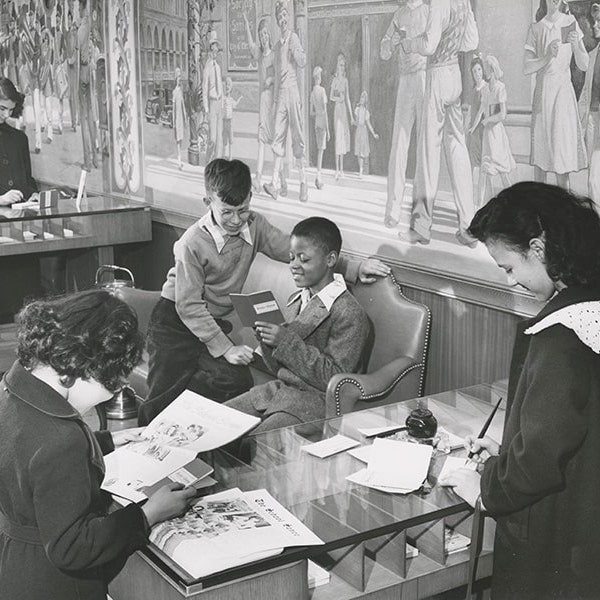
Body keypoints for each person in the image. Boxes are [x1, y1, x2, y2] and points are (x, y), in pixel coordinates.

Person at [140, 158, 390, 426]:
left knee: (232, 379)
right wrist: (225, 349)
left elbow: (299, 253)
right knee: (161, 399)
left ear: (250, 197)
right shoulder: (191, 242)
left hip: (211, 322)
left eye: (243, 209)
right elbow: (188, 305)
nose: (236, 220)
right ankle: (145, 447)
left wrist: (353, 267)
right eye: (227, 212)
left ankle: (186, 422)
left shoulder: (255, 225)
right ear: (207, 202)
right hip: (174, 320)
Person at [440, 182, 600, 599]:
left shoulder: (561, 334)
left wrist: (488, 488)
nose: (511, 282)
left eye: (509, 267)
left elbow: (540, 461)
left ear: (538, 247)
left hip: (557, 537)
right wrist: (510, 449)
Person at [0, 289, 196, 600]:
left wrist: (103, 440)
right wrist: (148, 514)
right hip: (55, 586)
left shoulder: (11, 391)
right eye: (113, 382)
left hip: (15, 564)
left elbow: (29, 455)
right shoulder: (61, 441)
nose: (115, 391)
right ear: (78, 368)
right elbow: (72, 547)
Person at [224, 217, 370, 433]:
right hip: (281, 391)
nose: (293, 266)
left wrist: (284, 340)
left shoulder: (348, 312)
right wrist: (267, 340)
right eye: (291, 258)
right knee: (218, 422)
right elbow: (279, 369)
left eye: (303, 259)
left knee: (254, 441)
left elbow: (336, 379)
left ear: (330, 259)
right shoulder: (297, 300)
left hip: (315, 402)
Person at [399, 0, 479, 247]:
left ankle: (421, 227)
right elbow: (471, 42)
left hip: (437, 75)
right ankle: (468, 227)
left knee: (427, 153)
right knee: (457, 148)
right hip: (455, 75)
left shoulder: (438, 2)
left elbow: (429, 44)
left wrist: (409, 43)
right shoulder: (464, 2)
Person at [524, 0, 588, 190]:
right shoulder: (536, 28)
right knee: (541, 159)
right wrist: (546, 56)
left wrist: (576, 46)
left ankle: (564, 213)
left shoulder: (569, 22)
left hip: (562, 96)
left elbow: (583, 64)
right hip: (544, 95)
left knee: (562, 159)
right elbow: (527, 67)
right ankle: (539, 211)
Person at [380, 0, 428, 228]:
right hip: (405, 79)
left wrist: (411, 44)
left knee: (424, 148)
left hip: (424, 77)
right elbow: (384, 51)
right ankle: (393, 210)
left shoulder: (428, 11)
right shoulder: (399, 14)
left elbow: (434, 45)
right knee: (399, 143)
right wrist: (391, 42)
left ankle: (420, 215)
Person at [263, 0, 309, 203]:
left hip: (292, 92)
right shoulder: (276, 44)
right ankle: (274, 183)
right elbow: (273, 68)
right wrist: (270, 79)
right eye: (279, 17)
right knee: (278, 139)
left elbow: (302, 61)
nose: (282, 20)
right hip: (280, 94)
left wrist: (297, 53)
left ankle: (303, 183)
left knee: (297, 138)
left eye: (284, 16)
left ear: (288, 18)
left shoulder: (293, 38)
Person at [469, 55, 515, 208]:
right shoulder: (486, 90)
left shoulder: (500, 88)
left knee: (503, 172)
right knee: (484, 170)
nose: (485, 72)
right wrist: (473, 127)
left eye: (487, 69)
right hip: (488, 136)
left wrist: (488, 120)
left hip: (497, 135)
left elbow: (502, 114)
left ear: (493, 69)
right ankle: (478, 206)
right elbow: (481, 110)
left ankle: (514, 203)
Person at [0, 76, 38, 205]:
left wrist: (33, 194)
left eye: (11, 110)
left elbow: (28, 180)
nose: (7, 116)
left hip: (17, 221)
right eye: (2, 109)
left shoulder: (20, 139)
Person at [578, 2, 600, 211]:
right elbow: (585, 92)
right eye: (594, 21)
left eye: (599, 21)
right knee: (594, 179)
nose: (595, 26)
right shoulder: (593, 56)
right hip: (594, 120)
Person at [330, 52, 354, 181]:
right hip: (337, 109)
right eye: (340, 65)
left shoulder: (345, 81)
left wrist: (351, 116)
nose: (342, 67)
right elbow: (331, 97)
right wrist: (338, 99)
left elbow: (348, 98)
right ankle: (337, 169)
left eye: (343, 65)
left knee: (343, 138)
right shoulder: (334, 80)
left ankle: (342, 169)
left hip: (344, 110)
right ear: (337, 66)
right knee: (337, 138)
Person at [202, 30, 223, 164]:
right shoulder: (207, 67)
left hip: (219, 103)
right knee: (212, 139)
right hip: (211, 103)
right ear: (210, 49)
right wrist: (206, 108)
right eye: (214, 47)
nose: (216, 50)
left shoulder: (218, 67)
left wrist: (222, 99)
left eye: (217, 47)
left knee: (219, 138)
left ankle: (217, 164)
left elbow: (220, 84)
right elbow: (204, 88)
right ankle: (208, 162)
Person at [309, 65, 329, 190]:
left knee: (319, 149)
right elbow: (325, 111)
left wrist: (318, 113)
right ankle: (318, 176)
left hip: (317, 122)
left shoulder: (312, 92)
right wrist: (328, 129)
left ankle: (318, 175)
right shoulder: (322, 91)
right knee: (321, 150)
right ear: (318, 77)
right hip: (322, 122)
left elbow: (311, 112)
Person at [353, 90, 379, 179]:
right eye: (361, 98)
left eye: (363, 99)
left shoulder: (366, 112)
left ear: (365, 101)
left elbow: (368, 124)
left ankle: (361, 170)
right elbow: (356, 122)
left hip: (363, 131)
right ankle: (359, 169)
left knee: (362, 152)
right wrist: (353, 122)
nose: (361, 100)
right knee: (358, 150)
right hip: (358, 130)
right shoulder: (357, 110)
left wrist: (373, 133)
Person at [221, 76, 242, 161]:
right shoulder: (223, 99)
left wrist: (240, 98)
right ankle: (224, 154)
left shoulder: (231, 99)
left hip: (230, 121)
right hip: (224, 121)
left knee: (231, 140)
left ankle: (230, 156)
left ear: (231, 87)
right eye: (226, 84)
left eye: (229, 85)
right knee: (224, 139)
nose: (227, 86)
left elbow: (235, 104)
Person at [172, 66, 186, 170]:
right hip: (177, 118)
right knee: (177, 140)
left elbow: (183, 105)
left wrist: (185, 118)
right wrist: (173, 121)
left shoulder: (181, 91)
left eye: (180, 79)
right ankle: (179, 162)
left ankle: (180, 160)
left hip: (181, 118)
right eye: (178, 79)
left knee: (181, 139)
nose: (179, 80)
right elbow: (174, 108)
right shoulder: (174, 92)